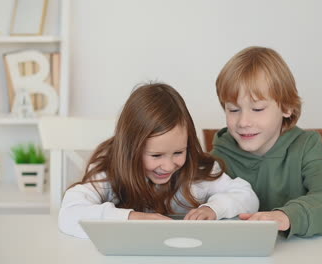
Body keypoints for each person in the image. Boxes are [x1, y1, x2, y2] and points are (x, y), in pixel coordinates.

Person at [59, 83, 259, 238]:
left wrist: (214, 208)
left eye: (178, 152)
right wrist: (131, 218)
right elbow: (69, 213)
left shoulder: (197, 171)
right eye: (156, 156)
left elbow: (247, 196)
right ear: (130, 150)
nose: (168, 165)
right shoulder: (110, 171)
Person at [211, 46, 322, 238]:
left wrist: (287, 216)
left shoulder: (306, 147)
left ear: (286, 108)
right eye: (233, 110)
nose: (243, 122)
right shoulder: (219, 156)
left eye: (258, 109)